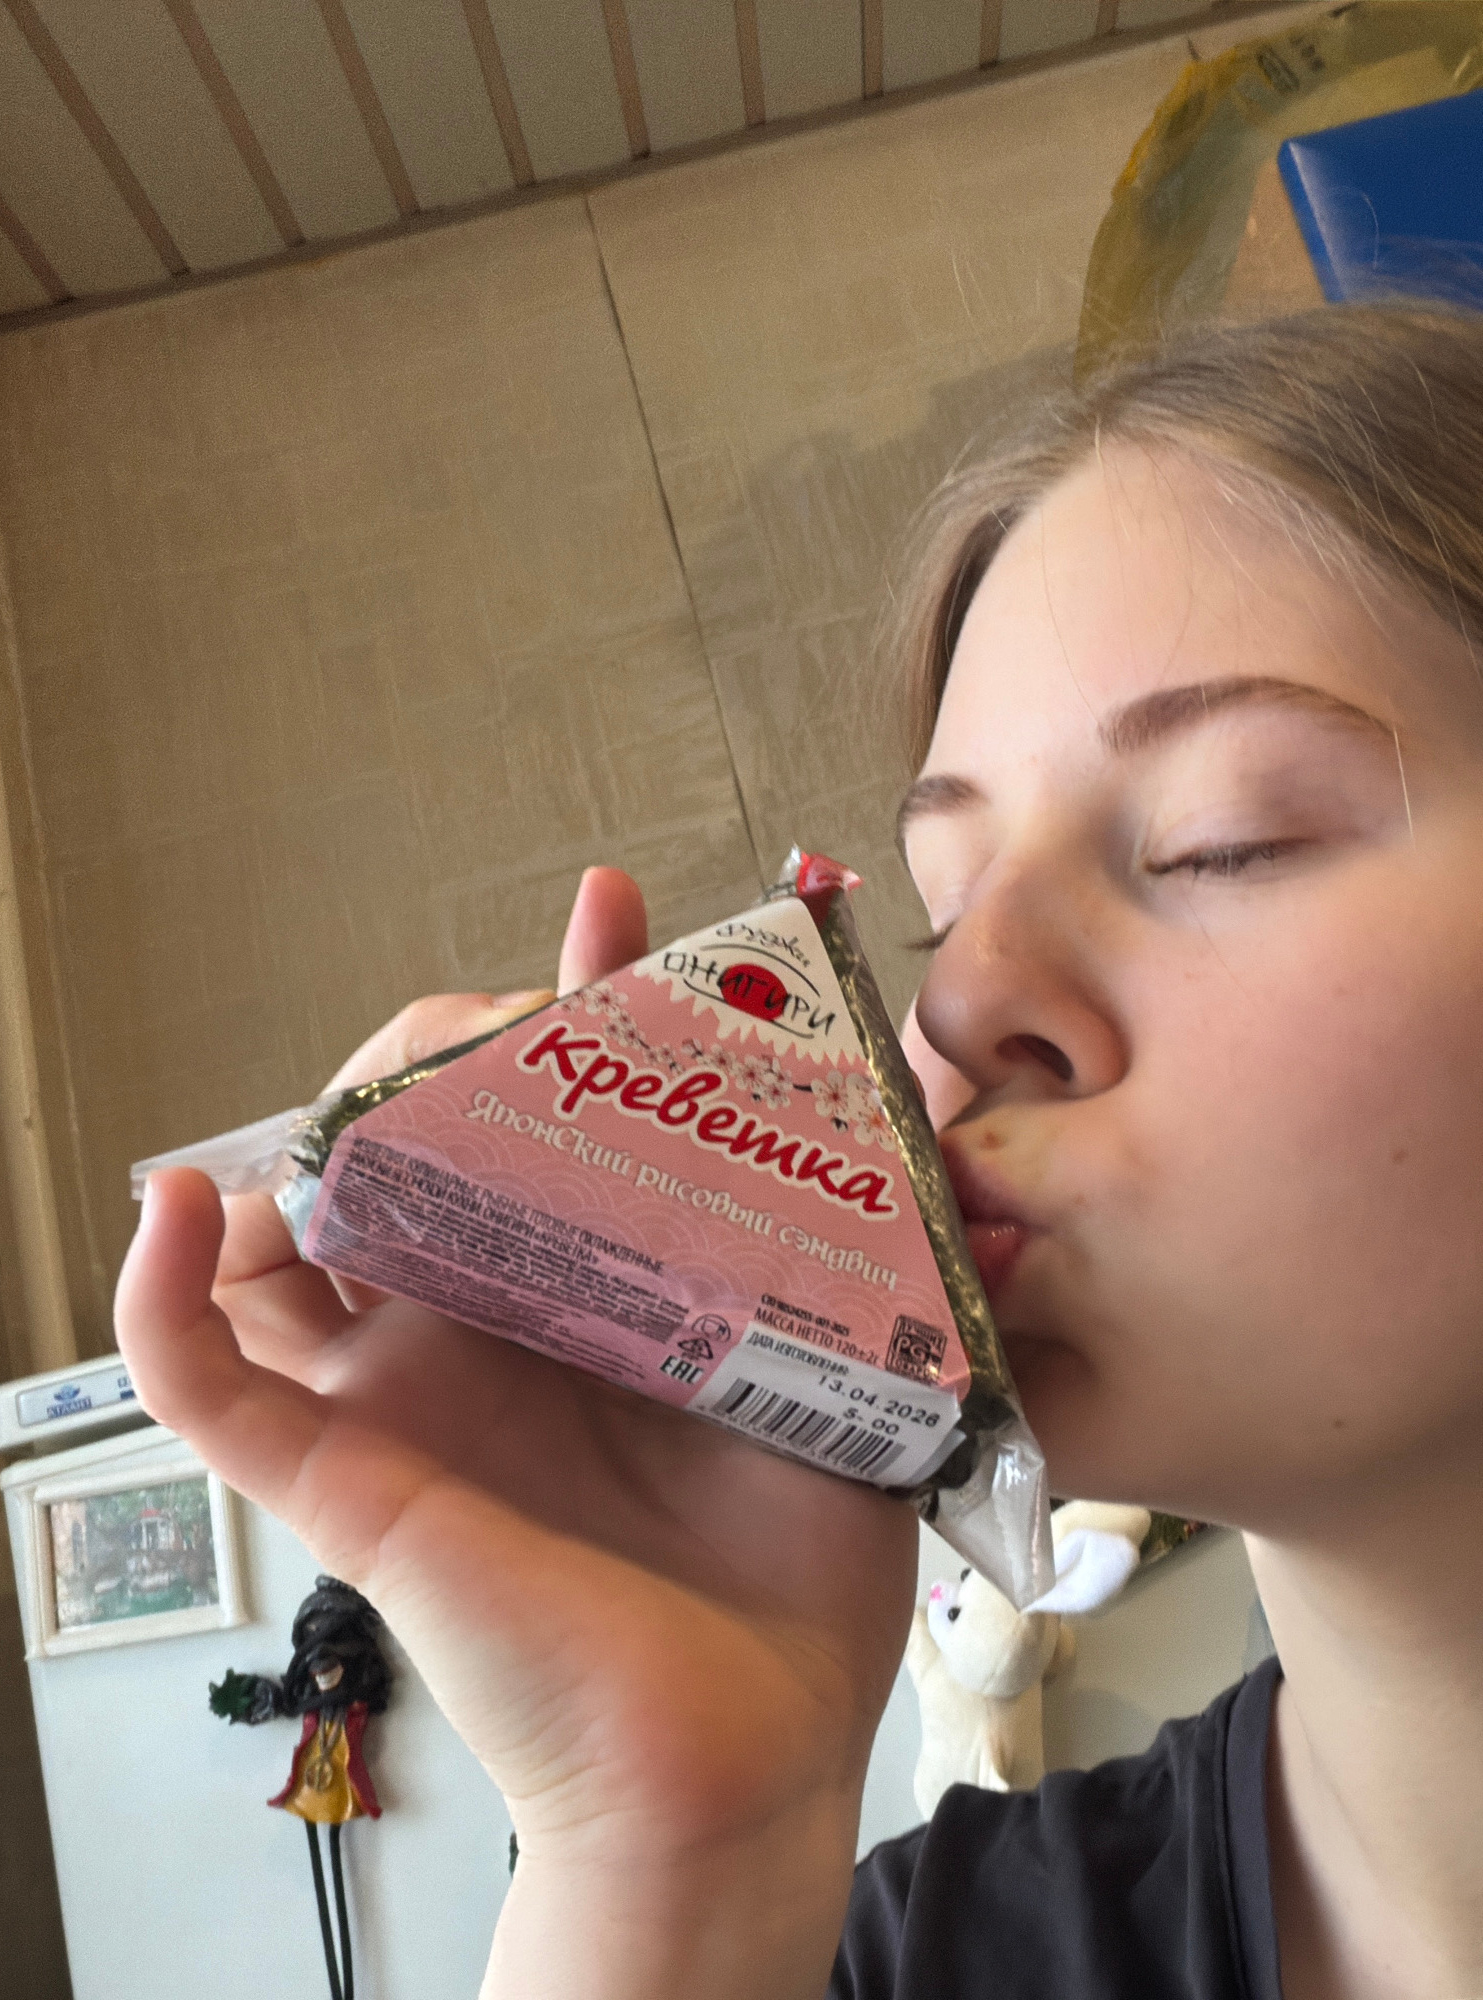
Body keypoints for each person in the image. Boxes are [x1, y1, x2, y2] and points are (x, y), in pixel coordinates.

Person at [115, 306, 1483, 2000]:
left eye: (1224, 839)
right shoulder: (909, 1964)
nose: (956, 1008)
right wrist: (668, 1870)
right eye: (943, 911)